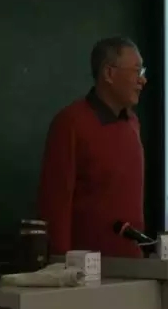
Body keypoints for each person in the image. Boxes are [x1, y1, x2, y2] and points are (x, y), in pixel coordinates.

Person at [38, 36, 147, 257]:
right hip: (88, 267)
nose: (142, 80)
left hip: (132, 262)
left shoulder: (132, 123)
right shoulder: (71, 123)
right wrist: (62, 264)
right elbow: (56, 204)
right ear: (109, 73)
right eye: (136, 71)